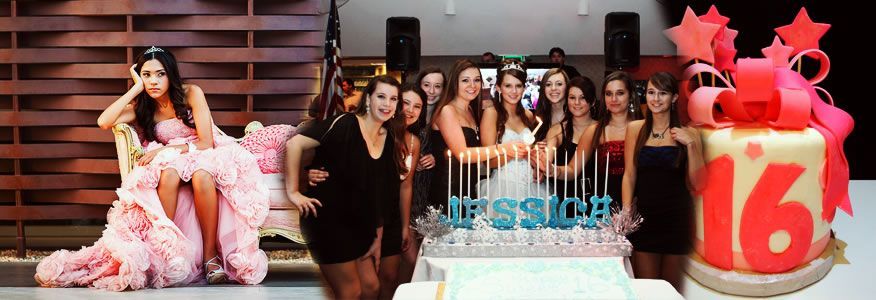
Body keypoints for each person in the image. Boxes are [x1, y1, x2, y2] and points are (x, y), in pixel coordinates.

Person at [35, 46, 270, 290]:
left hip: (202, 153)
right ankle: (167, 254)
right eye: (146, 75)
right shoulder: (143, 106)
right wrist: (136, 89)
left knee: (202, 176)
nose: (153, 81)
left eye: (160, 74)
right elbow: (103, 121)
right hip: (172, 163)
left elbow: (206, 142)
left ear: (171, 75)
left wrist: (163, 151)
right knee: (168, 175)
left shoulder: (191, 93)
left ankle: (211, 258)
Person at [285, 75, 408, 299]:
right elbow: (295, 144)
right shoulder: (345, 123)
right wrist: (293, 191)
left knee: (371, 287)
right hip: (327, 218)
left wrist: (377, 238)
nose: (387, 104)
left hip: (359, 224)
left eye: (393, 99)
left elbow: (380, 193)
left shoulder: (388, 137)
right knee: (351, 290)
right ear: (368, 99)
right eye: (381, 96)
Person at [623, 72, 705, 291]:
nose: (656, 99)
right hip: (644, 220)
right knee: (646, 290)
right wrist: (626, 210)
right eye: (651, 92)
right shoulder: (635, 129)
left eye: (663, 93)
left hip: (676, 220)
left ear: (674, 98)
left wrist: (691, 146)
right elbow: (629, 174)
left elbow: (698, 184)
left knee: (671, 291)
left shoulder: (690, 133)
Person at [427, 59, 526, 215]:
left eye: (476, 80)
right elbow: (463, 154)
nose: (472, 85)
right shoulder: (447, 110)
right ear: (455, 83)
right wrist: (504, 148)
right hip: (447, 188)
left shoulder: (471, 111)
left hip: (468, 186)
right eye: (465, 80)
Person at [547, 71, 641, 215]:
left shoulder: (644, 128)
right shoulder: (594, 131)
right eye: (609, 94)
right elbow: (572, 170)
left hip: (642, 202)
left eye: (620, 93)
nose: (614, 99)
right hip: (607, 206)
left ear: (631, 95)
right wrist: (555, 170)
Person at [477, 60, 546, 218]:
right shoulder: (491, 113)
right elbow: (488, 162)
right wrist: (513, 153)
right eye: (508, 86)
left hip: (532, 188)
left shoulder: (528, 115)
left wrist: (537, 165)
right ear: (499, 88)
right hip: (504, 188)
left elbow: (531, 155)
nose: (514, 91)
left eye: (518, 85)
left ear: (524, 87)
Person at [543, 76, 598, 210]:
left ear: (593, 102)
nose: (577, 102)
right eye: (572, 97)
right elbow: (549, 152)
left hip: (596, 198)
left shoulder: (601, 129)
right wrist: (544, 163)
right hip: (564, 200)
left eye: (583, 98)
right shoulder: (557, 130)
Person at [533, 68, 570, 142]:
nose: (553, 88)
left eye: (559, 84)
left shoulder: (575, 116)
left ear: (567, 87)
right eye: (548, 84)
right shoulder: (539, 117)